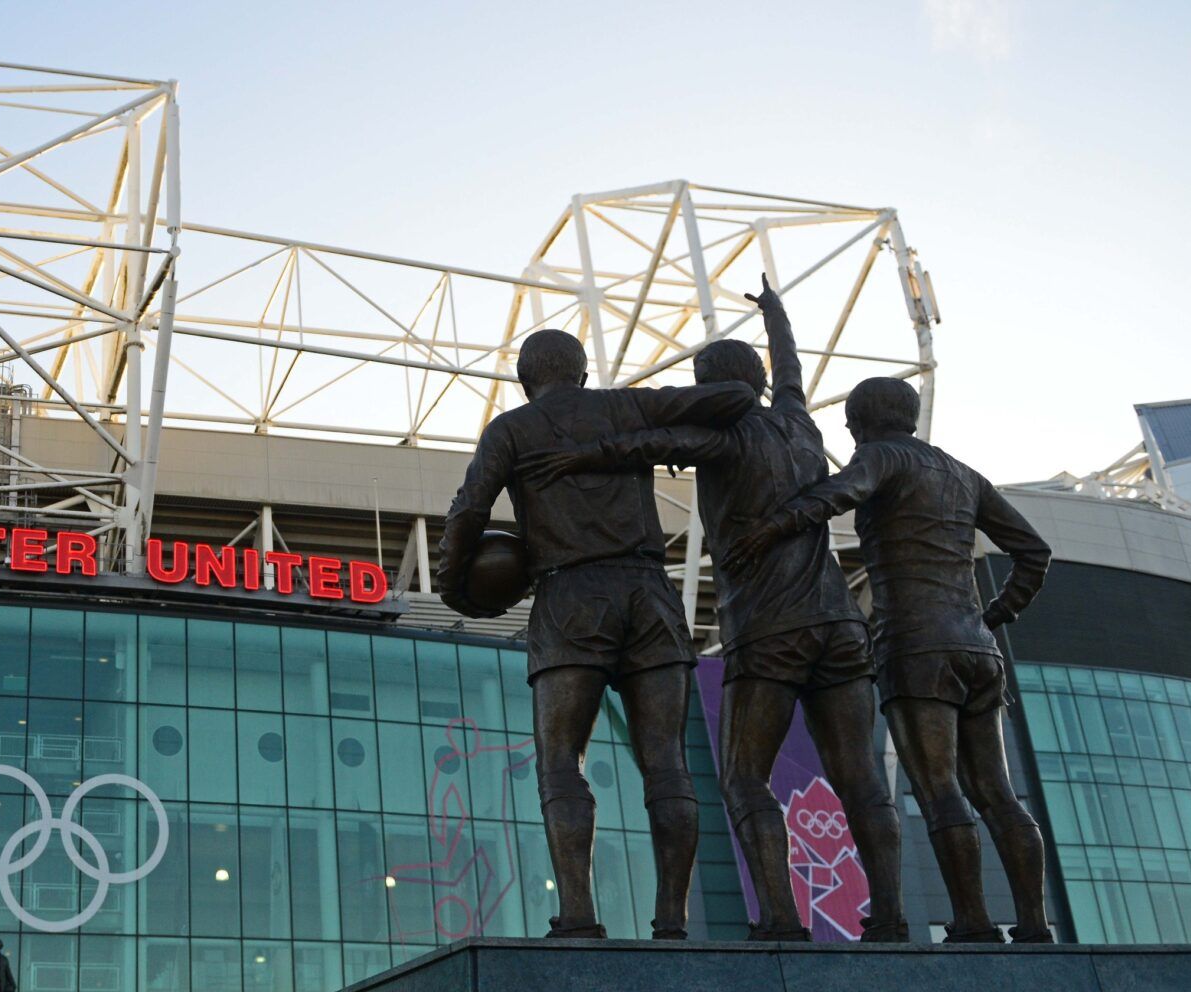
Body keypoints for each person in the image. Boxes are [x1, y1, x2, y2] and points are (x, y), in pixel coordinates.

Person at [526, 277, 906, 941]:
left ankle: (782, 920)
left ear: (710, 391)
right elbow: (790, 369)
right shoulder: (799, 420)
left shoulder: (722, 441)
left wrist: (577, 455)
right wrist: (777, 314)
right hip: (842, 625)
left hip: (770, 630)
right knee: (862, 777)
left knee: (745, 780)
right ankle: (894, 916)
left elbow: (643, 446)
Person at [437, 328, 759, 938]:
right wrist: (639, 440)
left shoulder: (510, 429)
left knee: (561, 763)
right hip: (649, 595)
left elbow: (469, 511)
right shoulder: (623, 405)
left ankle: (579, 915)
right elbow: (738, 397)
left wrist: (455, 588)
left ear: (524, 380)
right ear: (583, 374)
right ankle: (672, 920)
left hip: (571, 598)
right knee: (666, 764)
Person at [733, 375, 1053, 943]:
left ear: (861, 423)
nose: (851, 434)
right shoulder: (962, 473)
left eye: (851, 425)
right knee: (997, 792)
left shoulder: (881, 458)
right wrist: (997, 615)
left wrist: (770, 528)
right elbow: (1034, 551)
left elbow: (835, 495)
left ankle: (974, 920)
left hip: (917, 647)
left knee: (939, 790)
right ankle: (1033, 922)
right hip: (978, 649)